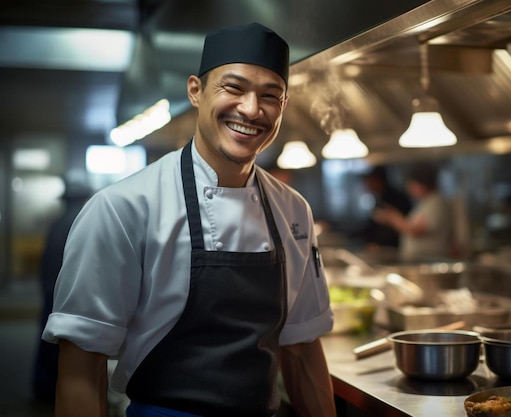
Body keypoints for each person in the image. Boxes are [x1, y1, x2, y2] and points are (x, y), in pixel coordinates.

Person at [43, 22, 336, 417]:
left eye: (270, 95)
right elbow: (81, 367)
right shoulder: (124, 208)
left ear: (283, 106)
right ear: (195, 91)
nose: (251, 109)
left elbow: (301, 349)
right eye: (233, 88)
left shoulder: (293, 209)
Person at [32, 176, 92, 404]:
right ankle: (51, 393)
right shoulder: (80, 220)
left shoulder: (58, 222)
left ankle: (42, 390)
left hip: (51, 290)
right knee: (63, 347)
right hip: (66, 293)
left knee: (47, 342)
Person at [372, 162, 454, 263]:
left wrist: (393, 217)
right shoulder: (426, 202)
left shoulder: (436, 203)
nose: (409, 188)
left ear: (422, 184)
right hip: (421, 260)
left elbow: (416, 230)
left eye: (412, 184)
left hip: (430, 261)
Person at [358, 166, 411, 250]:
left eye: (370, 181)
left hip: (394, 248)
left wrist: (379, 243)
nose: (367, 185)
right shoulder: (379, 198)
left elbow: (400, 227)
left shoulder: (396, 198)